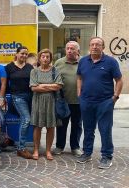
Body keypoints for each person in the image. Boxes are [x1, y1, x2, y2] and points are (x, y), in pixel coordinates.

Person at [77, 37, 123, 169]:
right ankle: (87, 153)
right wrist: (79, 94)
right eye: (92, 44)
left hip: (105, 102)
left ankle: (107, 156)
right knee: (88, 128)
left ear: (103, 47)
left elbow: (119, 80)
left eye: (98, 44)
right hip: (86, 101)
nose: (95, 47)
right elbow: (79, 77)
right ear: (89, 46)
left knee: (105, 129)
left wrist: (115, 97)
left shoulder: (111, 62)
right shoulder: (83, 61)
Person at [30, 49, 63, 160]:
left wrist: (41, 86)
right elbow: (34, 88)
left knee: (50, 127)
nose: (45, 59)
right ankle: (36, 150)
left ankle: (48, 151)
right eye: (43, 56)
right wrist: (50, 86)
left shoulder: (55, 70)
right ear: (39, 58)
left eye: (47, 57)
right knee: (37, 127)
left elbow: (58, 86)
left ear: (50, 58)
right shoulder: (34, 71)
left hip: (51, 102)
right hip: (37, 102)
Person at [53, 41, 82, 157]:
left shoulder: (84, 62)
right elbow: (53, 78)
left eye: (72, 48)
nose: (69, 50)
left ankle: (75, 147)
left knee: (77, 125)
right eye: (68, 48)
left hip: (79, 101)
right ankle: (59, 146)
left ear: (78, 51)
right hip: (63, 101)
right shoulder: (59, 63)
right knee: (61, 125)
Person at [5, 46, 34, 159]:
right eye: (22, 53)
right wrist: (3, 97)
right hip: (17, 96)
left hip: (30, 96)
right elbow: (5, 83)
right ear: (17, 54)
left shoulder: (29, 67)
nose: (24, 56)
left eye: (26, 54)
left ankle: (26, 145)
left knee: (26, 120)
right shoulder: (9, 67)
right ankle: (21, 148)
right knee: (26, 119)